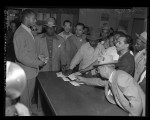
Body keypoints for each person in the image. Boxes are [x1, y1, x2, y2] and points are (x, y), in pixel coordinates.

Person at [75, 55, 145, 116]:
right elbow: (98, 81)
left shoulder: (121, 77)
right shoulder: (112, 77)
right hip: (124, 109)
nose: (97, 72)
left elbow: (136, 101)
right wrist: (83, 80)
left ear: (105, 68)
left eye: (98, 70)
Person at [13, 9, 46, 112]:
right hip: (25, 72)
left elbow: (28, 50)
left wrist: (38, 56)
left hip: (29, 72)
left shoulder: (27, 30)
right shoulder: (20, 33)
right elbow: (21, 56)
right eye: (33, 18)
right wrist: (39, 62)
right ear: (27, 18)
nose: (35, 20)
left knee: (28, 97)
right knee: (25, 99)